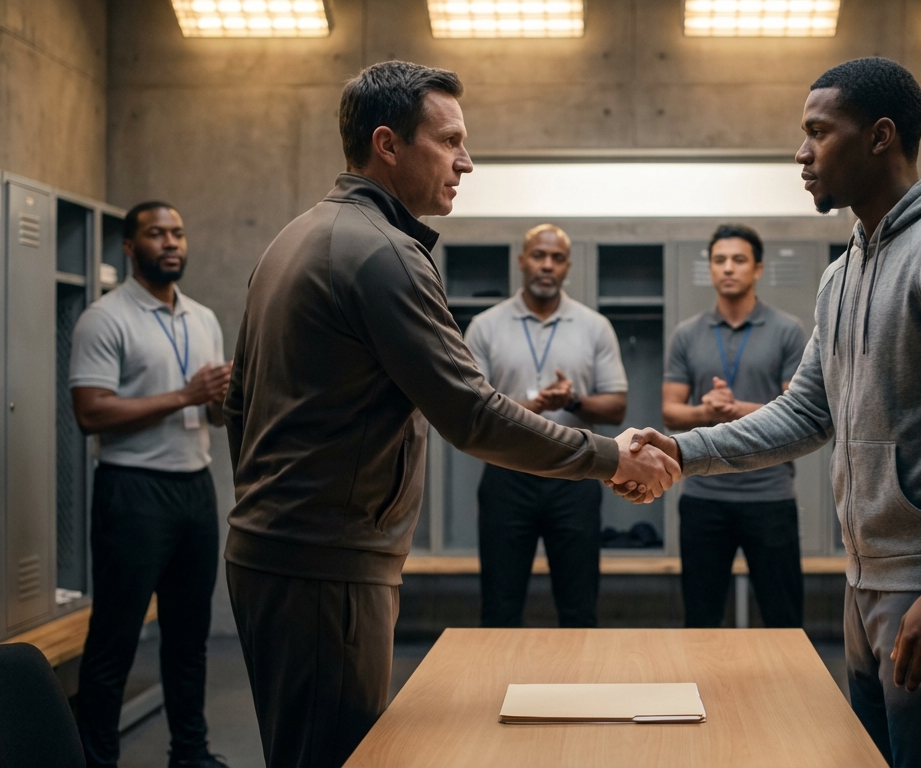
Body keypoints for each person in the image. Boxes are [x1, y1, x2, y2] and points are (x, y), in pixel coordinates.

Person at [222, 60, 678, 768]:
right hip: (326, 564)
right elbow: (472, 414)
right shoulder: (384, 254)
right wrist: (612, 457)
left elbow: (237, 401)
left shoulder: (293, 239)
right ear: (388, 144)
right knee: (335, 755)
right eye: (450, 141)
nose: (467, 161)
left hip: (279, 551)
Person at [616, 57, 921, 768]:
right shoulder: (843, 271)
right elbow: (807, 413)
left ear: (880, 137)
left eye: (818, 132)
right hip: (867, 573)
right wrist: (685, 450)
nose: (801, 152)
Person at [69, 202, 231, 768]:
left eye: (178, 233)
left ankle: (190, 752)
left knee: (189, 637)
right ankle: (98, 759)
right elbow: (91, 413)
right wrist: (185, 396)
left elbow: (211, 416)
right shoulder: (105, 317)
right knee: (114, 639)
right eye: (156, 234)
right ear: (130, 247)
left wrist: (217, 402)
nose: (171, 243)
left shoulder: (203, 318)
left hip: (194, 488)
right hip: (132, 491)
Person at [464, 223, 629, 628]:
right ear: (522, 261)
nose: (546, 265)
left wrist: (572, 400)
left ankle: (582, 691)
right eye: (538, 255)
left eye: (556, 258)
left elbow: (616, 406)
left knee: (578, 607)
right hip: (507, 478)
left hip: (575, 477)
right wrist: (533, 405)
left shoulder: (594, 326)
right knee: (500, 607)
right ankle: (497, 690)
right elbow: (470, 409)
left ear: (567, 266)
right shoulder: (485, 326)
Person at [662, 224, 807, 628]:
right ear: (710, 268)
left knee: (783, 620)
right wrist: (707, 410)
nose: (728, 268)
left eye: (739, 260)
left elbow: (801, 411)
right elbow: (672, 412)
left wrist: (739, 408)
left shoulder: (787, 330)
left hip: (769, 495)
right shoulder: (687, 334)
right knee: (701, 619)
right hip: (704, 496)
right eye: (720, 260)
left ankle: (789, 692)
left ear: (757, 269)